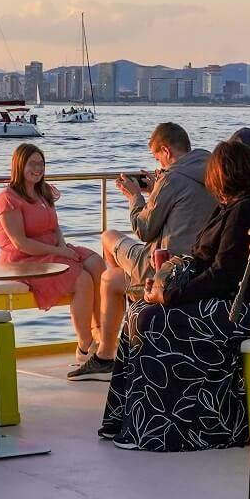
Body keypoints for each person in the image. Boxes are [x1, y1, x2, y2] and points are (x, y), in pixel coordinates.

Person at [98, 140, 250, 451]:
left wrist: (171, 298)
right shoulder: (232, 206)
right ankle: (126, 420)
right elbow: (202, 258)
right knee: (138, 312)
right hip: (234, 297)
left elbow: (224, 276)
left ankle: (158, 429)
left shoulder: (249, 209)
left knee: (154, 320)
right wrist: (163, 285)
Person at [91, 123, 215, 371]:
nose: (159, 165)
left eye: (158, 158)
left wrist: (135, 196)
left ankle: (111, 341)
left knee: (108, 238)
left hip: (165, 265)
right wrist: (156, 191)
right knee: (114, 274)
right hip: (200, 264)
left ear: (166, 151)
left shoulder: (172, 178)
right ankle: (130, 297)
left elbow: (144, 230)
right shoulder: (213, 171)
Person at [0, 144, 106, 372]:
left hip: (53, 249)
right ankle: (85, 348)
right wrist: (63, 254)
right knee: (81, 279)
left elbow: (55, 226)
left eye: (41, 163)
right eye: (32, 163)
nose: (38, 168)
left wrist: (63, 246)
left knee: (97, 265)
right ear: (19, 165)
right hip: (24, 258)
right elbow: (20, 243)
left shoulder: (43, 192)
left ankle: (101, 335)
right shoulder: (8, 199)